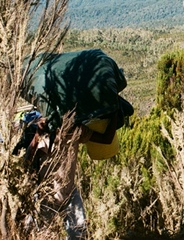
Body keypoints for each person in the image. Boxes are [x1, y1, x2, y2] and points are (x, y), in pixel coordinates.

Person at [19, 49, 134, 240]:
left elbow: (104, 139)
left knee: (78, 229)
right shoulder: (50, 131)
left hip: (66, 191)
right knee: (47, 232)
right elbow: (28, 160)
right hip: (46, 194)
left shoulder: (71, 127)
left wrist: (113, 107)